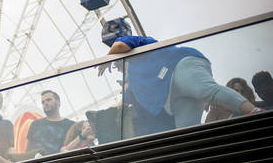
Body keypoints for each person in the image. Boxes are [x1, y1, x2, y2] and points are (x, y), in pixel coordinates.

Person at [98, 35, 262, 135]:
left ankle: (255, 112)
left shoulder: (141, 44)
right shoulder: (133, 81)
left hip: (179, 66)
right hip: (175, 97)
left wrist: (108, 58)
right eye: (117, 66)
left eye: (118, 63)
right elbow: (127, 102)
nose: (119, 66)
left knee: (205, 90)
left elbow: (119, 46)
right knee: (186, 133)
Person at [26, 90, 75, 156]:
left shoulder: (72, 125)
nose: (45, 103)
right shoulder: (35, 124)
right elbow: (27, 152)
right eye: (43, 102)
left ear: (58, 102)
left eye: (48, 100)